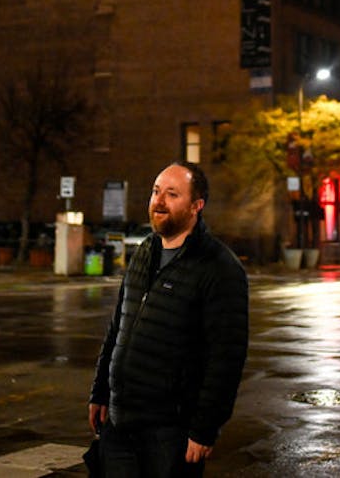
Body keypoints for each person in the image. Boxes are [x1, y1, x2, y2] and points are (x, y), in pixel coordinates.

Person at [88, 162, 249, 476]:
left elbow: (226, 358)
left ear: (196, 206)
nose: (158, 201)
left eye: (172, 194)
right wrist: (100, 392)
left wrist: (204, 428)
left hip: (169, 434)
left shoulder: (219, 267)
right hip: (119, 426)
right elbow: (117, 327)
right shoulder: (144, 252)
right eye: (156, 191)